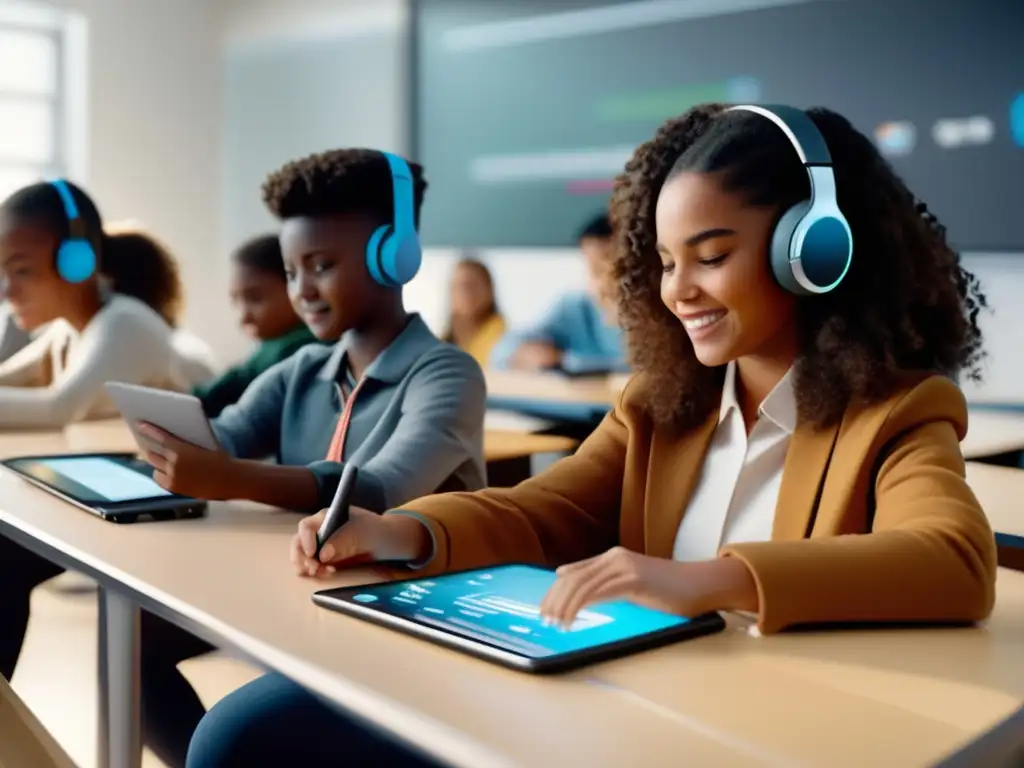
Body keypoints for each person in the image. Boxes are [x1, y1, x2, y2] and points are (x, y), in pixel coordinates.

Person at [187, 104, 997, 766]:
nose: (678, 291)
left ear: (812, 252)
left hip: (755, 734)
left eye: (711, 257)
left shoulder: (897, 411)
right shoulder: (661, 403)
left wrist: (709, 580)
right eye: (666, 262)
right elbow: (541, 511)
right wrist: (400, 531)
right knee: (248, 732)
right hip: (605, 703)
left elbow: (955, 560)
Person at [126, 148, 486, 767]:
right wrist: (180, 446)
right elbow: (228, 437)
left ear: (394, 256)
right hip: (298, 599)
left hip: (400, 622)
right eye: (292, 271)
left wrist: (227, 476)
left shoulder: (447, 372)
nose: (303, 291)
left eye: (321, 266)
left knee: (233, 739)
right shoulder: (304, 368)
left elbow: (377, 489)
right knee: (128, 645)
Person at [0, 181, 214, 429]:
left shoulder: (126, 323)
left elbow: (60, 408)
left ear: (76, 262)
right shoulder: (66, 332)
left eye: (22, 270)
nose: (7, 292)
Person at [193, 233, 317, 417]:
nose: (244, 317)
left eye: (255, 298)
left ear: (294, 286)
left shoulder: (298, 349)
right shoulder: (269, 347)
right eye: (236, 300)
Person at [490, 212, 627, 373]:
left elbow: (638, 371)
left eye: (614, 269)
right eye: (594, 271)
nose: (603, 284)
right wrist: (528, 354)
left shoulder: (654, 315)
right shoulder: (575, 309)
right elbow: (501, 352)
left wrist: (566, 360)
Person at [441, 255, 505, 367]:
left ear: (489, 290)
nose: (464, 293)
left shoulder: (502, 340)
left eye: (471, 286)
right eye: (458, 286)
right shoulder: (440, 344)